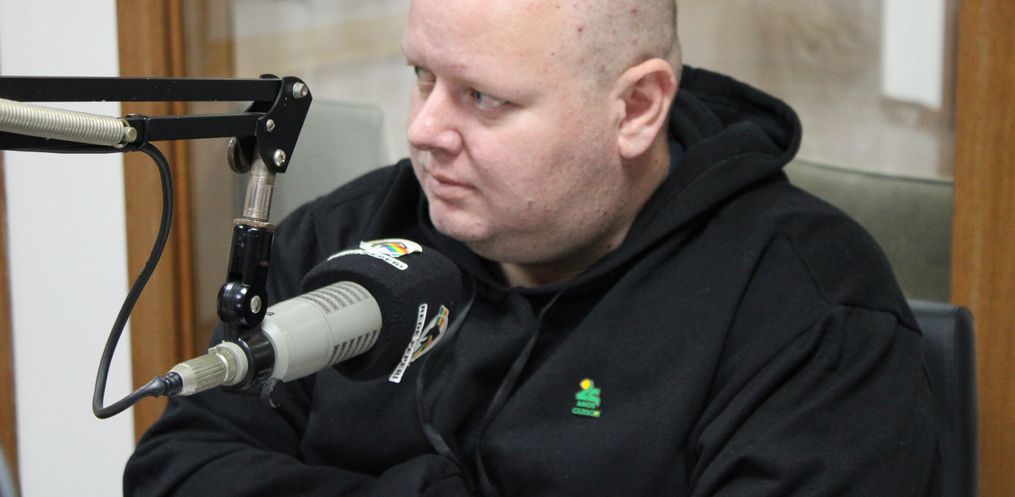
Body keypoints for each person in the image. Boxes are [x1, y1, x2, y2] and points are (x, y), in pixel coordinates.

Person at [124, 0, 940, 495]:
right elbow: (178, 466)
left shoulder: (806, 309)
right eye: (422, 76)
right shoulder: (351, 234)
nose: (424, 130)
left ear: (636, 109)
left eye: (482, 97)